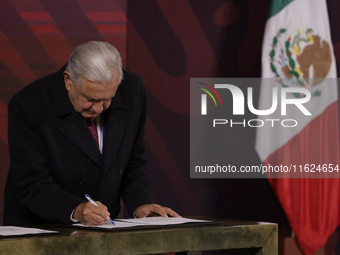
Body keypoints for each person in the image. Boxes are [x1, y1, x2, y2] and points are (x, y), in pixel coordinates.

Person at [4, 41, 179, 226]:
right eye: (90, 99)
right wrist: (76, 210)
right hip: (42, 229)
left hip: (102, 229)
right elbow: (32, 184)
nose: (98, 109)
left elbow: (132, 163)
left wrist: (141, 205)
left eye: (107, 99)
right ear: (68, 81)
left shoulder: (132, 89)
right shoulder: (30, 104)